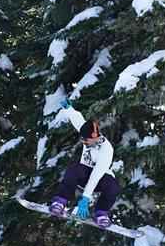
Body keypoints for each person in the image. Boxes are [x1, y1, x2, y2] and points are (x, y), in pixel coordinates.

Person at [49, 98, 120, 228]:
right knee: (74, 169)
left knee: (113, 186)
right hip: (83, 174)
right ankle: (60, 201)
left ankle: (101, 213)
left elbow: (96, 175)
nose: (83, 143)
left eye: (86, 140)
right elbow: (78, 119)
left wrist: (85, 199)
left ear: (95, 138)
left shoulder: (106, 150)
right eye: (82, 139)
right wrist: (69, 109)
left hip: (99, 179)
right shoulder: (87, 133)